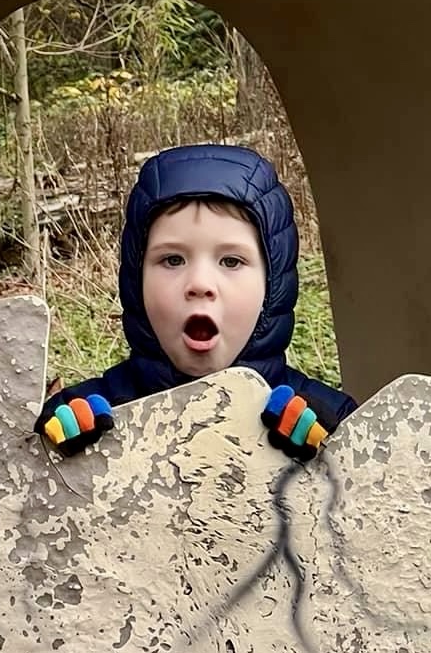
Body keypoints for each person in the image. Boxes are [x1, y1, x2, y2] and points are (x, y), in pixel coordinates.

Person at [35, 144, 357, 463]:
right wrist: (52, 455)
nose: (200, 284)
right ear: (136, 279)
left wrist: (337, 456)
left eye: (231, 261)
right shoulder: (88, 411)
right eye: (173, 260)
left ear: (273, 283)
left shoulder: (329, 419)